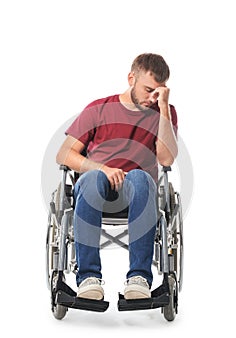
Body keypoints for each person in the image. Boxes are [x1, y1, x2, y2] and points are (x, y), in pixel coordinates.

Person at [56, 53, 178, 301]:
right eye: (147, 90)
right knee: (90, 179)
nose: (151, 98)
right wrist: (102, 168)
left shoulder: (163, 112)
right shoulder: (99, 108)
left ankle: (139, 278)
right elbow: (64, 154)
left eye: (158, 92)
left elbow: (166, 159)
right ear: (131, 78)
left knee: (141, 178)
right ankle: (88, 278)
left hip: (138, 192)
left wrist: (164, 107)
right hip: (96, 188)